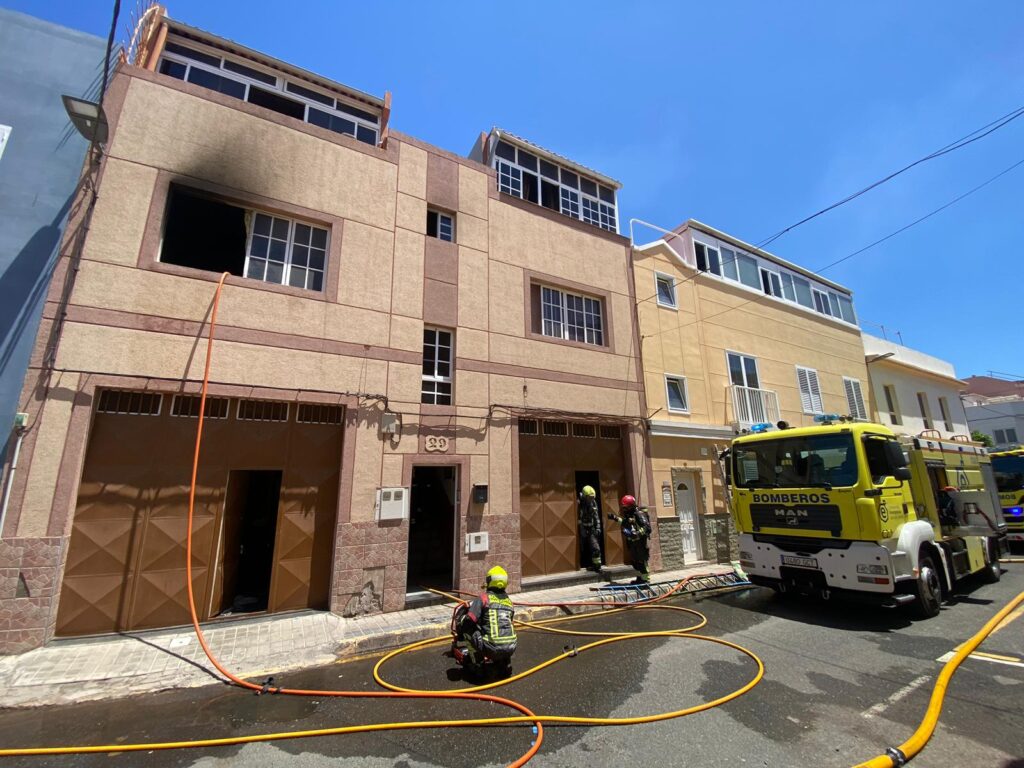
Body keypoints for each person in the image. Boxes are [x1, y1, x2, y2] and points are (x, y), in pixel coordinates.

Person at [457, 565, 517, 675]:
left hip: (491, 648)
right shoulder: (509, 602)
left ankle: (477, 665)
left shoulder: (483, 598)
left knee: (466, 628)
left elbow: (470, 620)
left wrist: (460, 629)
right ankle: (505, 663)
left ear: (489, 581)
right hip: (511, 648)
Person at [608, 495, 652, 584]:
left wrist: (638, 533)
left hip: (640, 541)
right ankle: (640, 577)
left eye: (625, 507)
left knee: (641, 560)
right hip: (632, 542)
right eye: (623, 507)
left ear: (631, 506)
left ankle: (645, 580)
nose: (624, 509)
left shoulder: (638, 514)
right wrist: (615, 518)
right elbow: (624, 522)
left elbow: (647, 527)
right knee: (635, 561)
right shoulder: (629, 515)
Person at [578, 485, 604, 572]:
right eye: (590, 497)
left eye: (593, 497)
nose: (591, 499)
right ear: (585, 496)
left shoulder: (593, 502)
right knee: (581, 547)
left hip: (591, 528)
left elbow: (596, 516)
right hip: (582, 528)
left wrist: (598, 527)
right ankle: (581, 564)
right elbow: (577, 517)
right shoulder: (579, 503)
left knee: (595, 547)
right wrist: (581, 528)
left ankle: (597, 565)